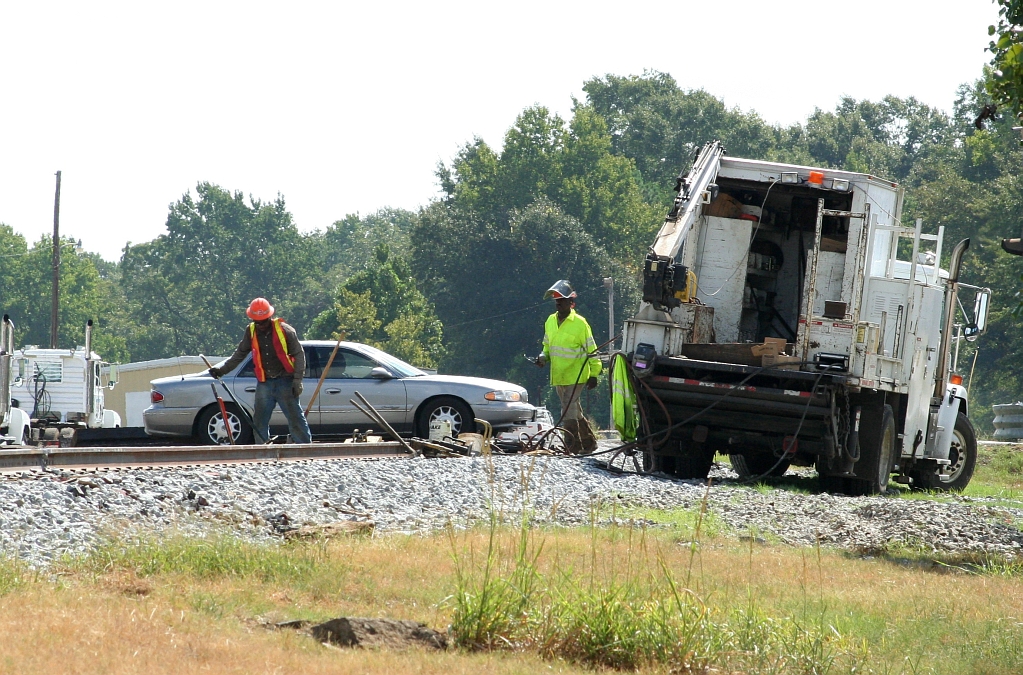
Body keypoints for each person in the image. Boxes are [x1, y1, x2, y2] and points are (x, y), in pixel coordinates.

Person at [209, 297, 312, 444]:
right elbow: (240, 354)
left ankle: (305, 449)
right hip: (265, 382)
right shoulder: (250, 331)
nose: (260, 325)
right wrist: (221, 370)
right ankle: (262, 449)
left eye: (263, 321)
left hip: (285, 380)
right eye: (257, 321)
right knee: (259, 420)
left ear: (269, 317)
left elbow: (299, 354)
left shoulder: (285, 330)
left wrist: (297, 381)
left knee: (295, 417)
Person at [535, 280, 601, 454]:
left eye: (561, 300)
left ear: (571, 303)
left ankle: (572, 446)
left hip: (576, 375)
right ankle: (589, 443)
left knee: (567, 410)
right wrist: (542, 358)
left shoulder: (580, 324)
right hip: (559, 375)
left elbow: (592, 350)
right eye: (556, 300)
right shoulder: (550, 321)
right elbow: (547, 347)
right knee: (574, 410)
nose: (558, 303)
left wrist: (594, 374)